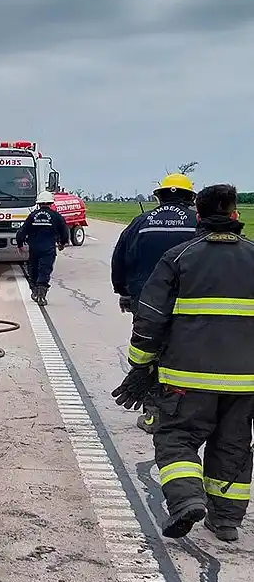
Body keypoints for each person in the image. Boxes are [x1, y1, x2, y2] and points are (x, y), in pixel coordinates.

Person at [112, 184, 254, 542]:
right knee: (233, 446)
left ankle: (186, 498)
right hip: (245, 381)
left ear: (200, 218)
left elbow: (151, 319)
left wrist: (139, 366)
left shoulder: (178, 258)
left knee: (175, 437)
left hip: (185, 378)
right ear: (236, 216)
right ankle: (225, 521)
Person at [111, 173, 198, 434]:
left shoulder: (140, 222)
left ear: (159, 197)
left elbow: (120, 259)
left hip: (146, 302)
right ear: (191, 197)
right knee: (183, 355)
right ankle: (187, 410)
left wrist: (123, 292)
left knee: (148, 353)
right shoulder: (198, 223)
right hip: (189, 303)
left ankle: (153, 412)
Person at [16, 190, 69, 305]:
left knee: (33, 270)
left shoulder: (32, 216)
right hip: (48, 249)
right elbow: (64, 231)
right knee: (45, 270)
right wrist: (62, 243)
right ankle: (41, 295)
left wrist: (20, 244)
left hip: (34, 249)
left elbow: (22, 231)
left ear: (39, 203)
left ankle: (35, 291)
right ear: (51, 203)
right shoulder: (56, 216)